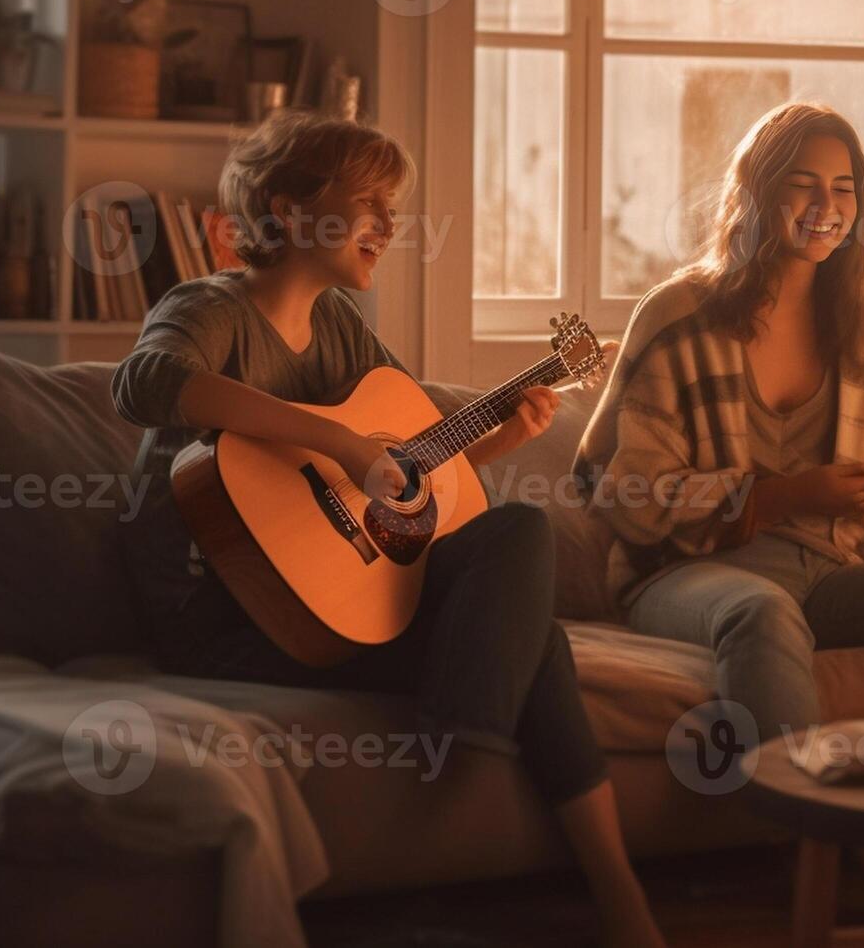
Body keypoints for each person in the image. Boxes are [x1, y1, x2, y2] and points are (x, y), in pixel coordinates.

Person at [111, 110, 666, 948]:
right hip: (218, 614)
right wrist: (334, 438)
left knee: (518, 538)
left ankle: (609, 891)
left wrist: (494, 441)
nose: (390, 225)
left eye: (393, 206)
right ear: (292, 213)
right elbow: (143, 383)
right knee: (534, 638)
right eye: (368, 202)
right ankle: (476, 831)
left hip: (318, 592)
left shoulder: (340, 329)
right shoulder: (212, 307)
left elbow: (400, 474)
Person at [575, 102, 864, 742]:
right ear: (759, 193)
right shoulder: (678, 315)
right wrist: (783, 495)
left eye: (844, 189)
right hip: (682, 573)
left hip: (827, 573)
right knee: (761, 610)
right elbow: (613, 484)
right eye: (803, 185)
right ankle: (812, 831)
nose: (828, 204)